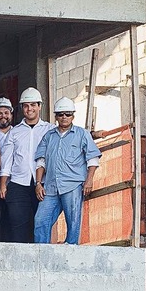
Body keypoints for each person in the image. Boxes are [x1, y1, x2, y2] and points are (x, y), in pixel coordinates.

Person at [32, 97, 102, 244]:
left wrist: (89, 181)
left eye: (68, 114)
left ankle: (71, 251)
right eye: (61, 114)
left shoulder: (82, 134)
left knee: (73, 222)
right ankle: (40, 253)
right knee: (40, 220)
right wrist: (38, 183)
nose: (64, 117)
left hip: (73, 185)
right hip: (50, 187)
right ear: (56, 116)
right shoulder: (49, 136)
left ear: (73, 116)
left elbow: (93, 159)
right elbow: (41, 161)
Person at [0, 86, 52, 244]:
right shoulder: (14, 132)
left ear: (40, 106)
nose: (30, 109)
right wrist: (3, 184)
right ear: (22, 108)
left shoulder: (49, 129)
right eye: (26, 106)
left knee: (40, 224)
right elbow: (7, 160)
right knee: (18, 225)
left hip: (42, 184)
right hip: (18, 183)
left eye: (33, 105)